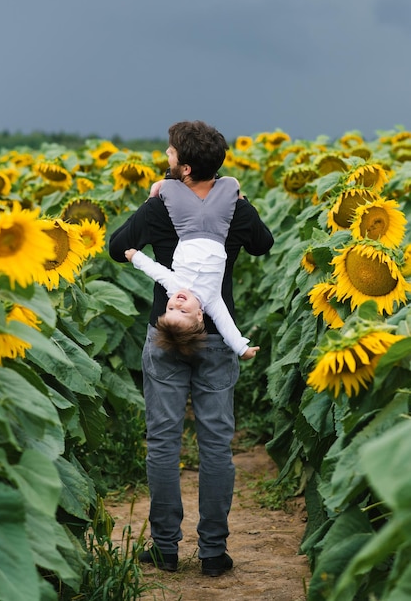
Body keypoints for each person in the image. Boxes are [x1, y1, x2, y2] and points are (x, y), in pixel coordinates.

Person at [109, 120, 274, 577]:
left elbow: (116, 247)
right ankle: (213, 553)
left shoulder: (161, 206)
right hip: (219, 337)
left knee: (163, 442)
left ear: (183, 168)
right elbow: (263, 244)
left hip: (165, 332)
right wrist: (240, 201)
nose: (165, 155)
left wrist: (148, 205)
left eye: (170, 152)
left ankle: (165, 548)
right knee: (216, 443)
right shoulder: (233, 208)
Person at [124, 174, 260, 360]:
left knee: (169, 187)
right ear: (199, 315)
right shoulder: (212, 300)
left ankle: (162, 187)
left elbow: (156, 271)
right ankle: (229, 186)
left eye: (170, 309)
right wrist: (242, 349)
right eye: (183, 311)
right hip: (217, 231)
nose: (177, 304)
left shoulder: (174, 286)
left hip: (188, 230)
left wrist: (136, 257)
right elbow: (226, 325)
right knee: (229, 184)